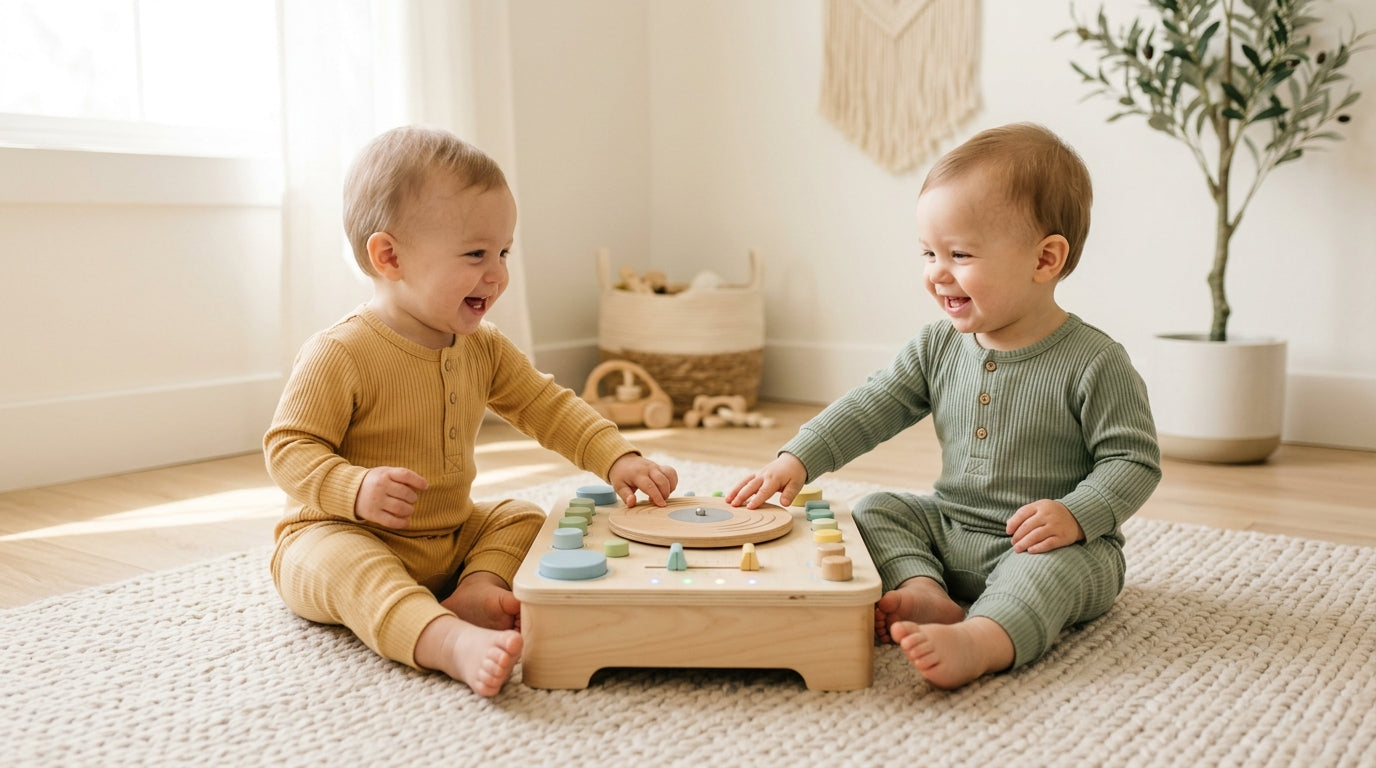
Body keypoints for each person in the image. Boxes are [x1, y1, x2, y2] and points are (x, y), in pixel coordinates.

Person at [727, 123, 1160, 690]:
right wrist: (799, 458)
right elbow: (873, 404)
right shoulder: (938, 346)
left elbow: (1133, 460)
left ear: (1045, 259)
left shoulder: (1095, 360)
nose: (937, 272)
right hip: (952, 525)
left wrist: (1077, 515)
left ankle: (983, 639)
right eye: (929, 252)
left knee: (1051, 574)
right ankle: (926, 590)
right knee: (876, 510)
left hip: (1047, 545)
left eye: (959, 254)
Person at [264, 126, 678, 697]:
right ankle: (444, 640)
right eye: (476, 254)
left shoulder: (483, 347)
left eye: (503, 252)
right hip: (341, 531)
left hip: (449, 537)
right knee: (347, 565)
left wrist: (616, 457)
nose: (498, 273)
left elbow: (547, 406)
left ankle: (476, 592)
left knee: (525, 517)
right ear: (390, 257)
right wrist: (353, 488)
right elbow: (288, 448)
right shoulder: (341, 352)